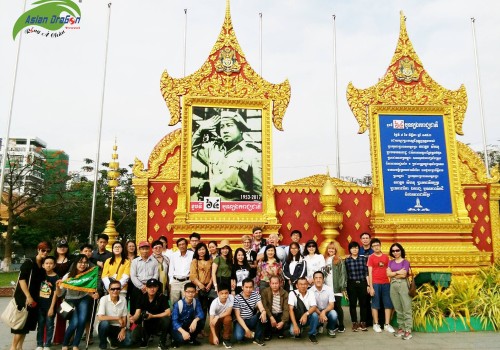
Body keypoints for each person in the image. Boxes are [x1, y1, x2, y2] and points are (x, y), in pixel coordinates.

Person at [191, 110, 262, 201]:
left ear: (240, 129)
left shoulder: (252, 154)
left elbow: (259, 195)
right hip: (213, 208)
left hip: (236, 212)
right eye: (222, 127)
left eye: (229, 125)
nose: (224, 131)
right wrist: (201, 129)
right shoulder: (213, 150)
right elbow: (192, 149)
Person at [10, 241, 51, 350]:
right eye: (43, 250)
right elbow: (22, 280)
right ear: (38, 250)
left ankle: (20, 347)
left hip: (34, 298)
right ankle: (13, 347)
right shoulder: (29, 262)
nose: (45, 252)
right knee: (20, 325)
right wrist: (28, 296)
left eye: (47, 251)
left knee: (27, 325)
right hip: (24, 297)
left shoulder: (42, 265)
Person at [57, 254, 100, 350]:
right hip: (70, 301)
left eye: (85, 262)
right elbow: (60, 294)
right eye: (80, 262)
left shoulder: (88, 275)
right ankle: (65, 344)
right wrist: (57, 286)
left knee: (82, 321)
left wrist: (94, 295)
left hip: (83, 300)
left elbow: (87, 290)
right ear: (75, 263)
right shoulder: (68, 276)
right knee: (74, 323)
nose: (83, 264)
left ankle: (76, 344)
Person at [129, 278, 171, 350]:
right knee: (133, 338)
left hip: (158, 322)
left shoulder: (162, 297)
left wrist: (153, 316)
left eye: (154, 287)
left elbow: (168, 312)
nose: (152, 289)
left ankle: (162, 342)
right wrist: (133, 318)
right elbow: (137, 313)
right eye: (150, 287)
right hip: (145, 323)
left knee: (166, 320)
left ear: (157, 288)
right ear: (146, 288)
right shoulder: (141, 297)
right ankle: (145, 339)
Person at [367, 238, 395, 334]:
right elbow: (369, 272)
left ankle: (387, 324)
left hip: (386, 283)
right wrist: (370, 286)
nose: (376, 247)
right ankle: (376, 323)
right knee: (375, 304)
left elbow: (389, 270)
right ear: (372, 247)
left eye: (377, 245)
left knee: (388, 303)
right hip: (375, 283)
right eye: (374, 246)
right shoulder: (371, 257)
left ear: (380, 245)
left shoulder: (386, 257)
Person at [387, 243, 413, 340]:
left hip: (403, 285)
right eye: (393, 251)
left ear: (401, 250)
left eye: (397, 250)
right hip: (393, 285)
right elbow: (388, 274)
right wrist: (398, 272)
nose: (395, 252)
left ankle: (408, 330)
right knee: (398, 308)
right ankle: (401, 328)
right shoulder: (390, 262)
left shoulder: (405, 262)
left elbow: (404, 275)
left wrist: (393, 273)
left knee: (406, 307)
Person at [96, 280, 132, 350]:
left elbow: (124, 317)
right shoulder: (104, 299)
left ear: (120, 289)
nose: (115, 291)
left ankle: (113, 340)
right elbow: (100, 317)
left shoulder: (123, 299)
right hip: (106, 326)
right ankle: (103, 344)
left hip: (117, 326)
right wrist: (117, 318)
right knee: (104, 324)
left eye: (118, 289)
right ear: (109, 290)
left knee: (128, 342)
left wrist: (123, 329)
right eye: (113, 289)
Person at [232, 278, 267, 346]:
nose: (248, 289)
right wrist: (246, 329)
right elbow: (238, 316)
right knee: (239, 337)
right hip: (241, 321)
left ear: (253, 287)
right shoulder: (237, 298)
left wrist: (263, 311)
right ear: (242, 287)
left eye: (250, 287)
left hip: (251, 319)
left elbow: (260, 306)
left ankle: (257, 338)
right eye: (246, 287)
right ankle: (246, 331)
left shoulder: (256, 295)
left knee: (262, 314)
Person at [344, 241, 369, 332]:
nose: (355, 249)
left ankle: (363, 322)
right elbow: (345, 274)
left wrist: (368, 284)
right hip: (351, 284)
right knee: (352, 304)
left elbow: (367, 272)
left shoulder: (363, 259)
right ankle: (354, 322)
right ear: (350, 250)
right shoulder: (347, 260)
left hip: (362, 283)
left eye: (357, 248)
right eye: (353, 248)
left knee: (363, 303)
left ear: (359, 249)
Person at [171, 282, 205, 348]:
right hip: (178, 327)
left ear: (195, 292)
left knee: (201, 321)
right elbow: (174, 321)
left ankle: (192, 339)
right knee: (182, 340)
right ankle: (174, 339)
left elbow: (201, 313)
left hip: (188, 324)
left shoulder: (196, 301)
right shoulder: (178, 304)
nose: (190, 294)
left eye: (192, 292)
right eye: (188, 292)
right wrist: (183, 332)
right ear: (184, 292)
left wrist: (195, 320)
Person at [130, 241, 159, 315]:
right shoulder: (135, 261)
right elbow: (133, 276)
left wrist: (148, 286)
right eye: (142, 249)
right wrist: (142, 286)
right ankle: (134, 324)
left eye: (146, 249)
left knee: (149, 308)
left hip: (151, 287)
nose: (145, 251)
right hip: (138, 287)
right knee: (135, 307)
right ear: (139, 250)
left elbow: (156, 275)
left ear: (149, 249)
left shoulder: (154, 261)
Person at [36, 255, 59, 350]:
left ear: (54, 265)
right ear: (43, 265)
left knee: (49, 325)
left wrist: (52, 307)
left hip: (50, 305)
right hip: (40, 305)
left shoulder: (56, 277)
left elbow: (55, 294)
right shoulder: (41, 275)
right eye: (46, 263)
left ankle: (47, 344)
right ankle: (39, 344)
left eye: (51, 263)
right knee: (40, 325)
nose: (48, 265)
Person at [323, 241, 346, 332]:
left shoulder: (339, 260)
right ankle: (333, 324)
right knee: (329, 307)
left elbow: (343, 274)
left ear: (336, 250)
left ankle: (341, 324)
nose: (331, 250)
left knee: (337, 306)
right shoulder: (324, 259)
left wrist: (342, 286)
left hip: (336, 286)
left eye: (333, 248)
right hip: (326, 286)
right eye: (329, 248)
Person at [53, 239, 73, 345]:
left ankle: (59, 338)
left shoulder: (71, 260)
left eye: (64, 246)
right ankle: (45, 340)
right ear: (56, 248)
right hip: (51, 289)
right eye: (60, 246)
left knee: (63, 315)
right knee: (49, 315)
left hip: (65, 290)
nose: (62, 248)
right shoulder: (52, 259)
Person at [288, 277, 319, 344]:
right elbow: (290, 310)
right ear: (297, 285)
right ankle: (299, 328)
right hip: (297, 318)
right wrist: (295, 325)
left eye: (305, 284)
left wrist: (306, 314)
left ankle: (312, 334)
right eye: (301, 284)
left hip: (307, 316)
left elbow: (314, 307)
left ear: (307, 285)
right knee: (293, 332)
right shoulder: (292, 294)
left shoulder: (311, 293)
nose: (303, 286)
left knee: (315, 315)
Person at [190, 242, 214, 324]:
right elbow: (192, 275)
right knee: (201, 308)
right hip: (199, 288)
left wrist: (210, 283)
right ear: (197, 251)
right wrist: (200, 285)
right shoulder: (195, 261)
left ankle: (212, 326)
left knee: (211, 307)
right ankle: (200, 329)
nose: (201, 251)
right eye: (199, 249)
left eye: (203, 249)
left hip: (209, 286)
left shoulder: (210, 260)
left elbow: (213, 273)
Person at [261, 275, 289, 340]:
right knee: (263, 315)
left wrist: (283, 321)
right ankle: (268, 332)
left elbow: (286, 309)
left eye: (276, 283)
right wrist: (271, 317)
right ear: (270, 284)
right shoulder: (265, 292)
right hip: (270, 313)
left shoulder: (285, 293)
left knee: (286, 319)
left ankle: (280, 331)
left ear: (280, 283)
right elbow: (264, 306)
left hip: (279, 313)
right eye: (273, 283)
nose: (274, 285)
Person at [311, 271, 338, 338]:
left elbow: (331, 305)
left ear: (323, 280)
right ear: (313, 280)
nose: (318, 280)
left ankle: (330, 328)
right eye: (316, 278)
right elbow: (312, 306)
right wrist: (320, 314)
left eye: (320, 278)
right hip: (316, 311)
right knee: (313, 315)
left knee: (334, 314)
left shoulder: (329, 289)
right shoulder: (310, 291)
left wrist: (324, 312)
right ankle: (318, 326)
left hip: (327, 310)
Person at [169, 238, 194, 306]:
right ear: (177, 246)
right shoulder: (174, 255)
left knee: (187, 301)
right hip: (175, 281)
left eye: (183, 244)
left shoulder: (192, 254)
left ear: (187, 245)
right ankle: (174, 316)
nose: (181, 246)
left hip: (187, 281)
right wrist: (171, 282)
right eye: (179, 245)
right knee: (174, 302)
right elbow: (171, 269)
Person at [208, 284, 233, 348]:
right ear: (218, 293)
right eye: (222, 293)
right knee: (212, 341)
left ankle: (226, 338)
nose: (224, 295)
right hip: (216, 321)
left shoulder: (231, 297)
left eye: (226, 293)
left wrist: (217, 316)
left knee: (228, 319)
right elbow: (211, 323)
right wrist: (214, 336)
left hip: (223, 317)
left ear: (228, 293)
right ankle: (219, 331)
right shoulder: (214, 303)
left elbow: (228, 312)